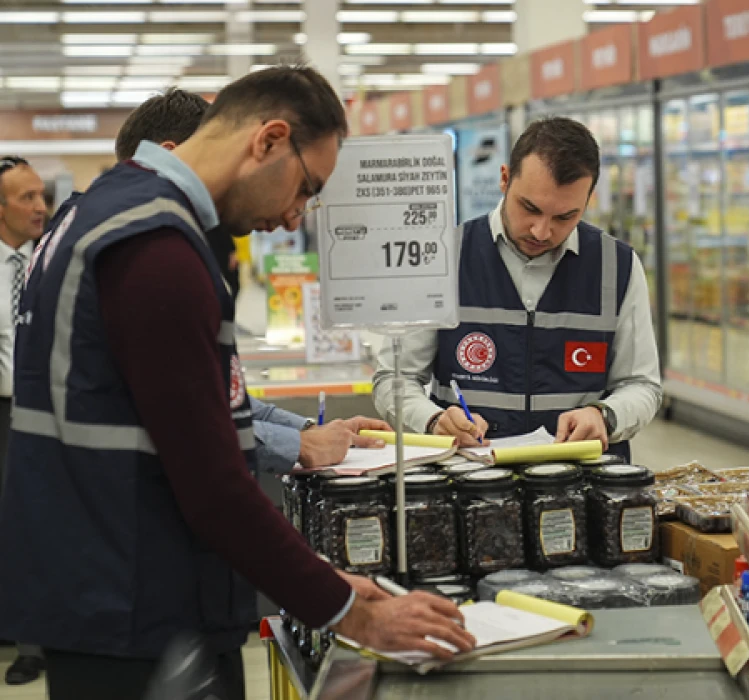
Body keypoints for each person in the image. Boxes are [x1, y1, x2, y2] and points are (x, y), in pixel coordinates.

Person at [0, 65, 474, 700]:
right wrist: (347, 610)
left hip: (100, 586)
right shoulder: (156, 250)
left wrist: (326, 581)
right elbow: (212, 485)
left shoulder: (100, 211)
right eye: (307, 187)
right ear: (269, 140)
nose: (294, 214)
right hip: (138, 611)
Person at [49, 88, 391, 476]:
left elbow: (212, 396)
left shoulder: (106, 224)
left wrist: (309, 431)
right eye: (303, 187)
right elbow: (191, 430)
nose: (292, 219)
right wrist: (299, 444)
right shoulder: (146, 245)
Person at [372, 117, 662, 459]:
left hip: (583, 482)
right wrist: (433, 420)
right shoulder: (444, 258)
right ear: (505, 178)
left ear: (588, 200)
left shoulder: (618, 267)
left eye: (564, 217)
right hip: (470, 481)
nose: (541, 231)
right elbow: (395, 378)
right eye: (530, 208)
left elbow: (642, 385)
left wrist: (604, 416)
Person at [0, 155, 47, 686]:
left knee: (38, 527)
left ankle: (35, 645)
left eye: (41, 196)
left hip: (44, 410)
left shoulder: (53, 261)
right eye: (27, 198)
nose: (40, 207)